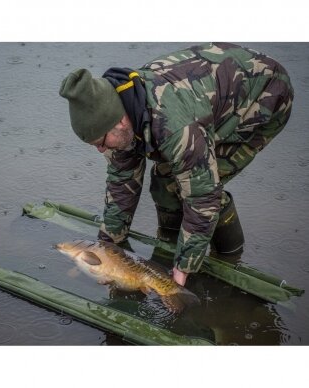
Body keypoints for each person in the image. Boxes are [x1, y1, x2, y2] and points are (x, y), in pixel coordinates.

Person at [59, 42, 294, 287]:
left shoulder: (176, 127)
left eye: (102, 142)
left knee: (198, 188)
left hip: (265, 96)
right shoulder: (117, 111)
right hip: (203, 100)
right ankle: (168, 248)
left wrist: (181, 272)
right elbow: (122, 182)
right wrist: (107, 245)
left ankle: (230, 257)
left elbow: (203, 197)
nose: (101, 149)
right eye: (95, 145)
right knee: (165, 183)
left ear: (120, 122)